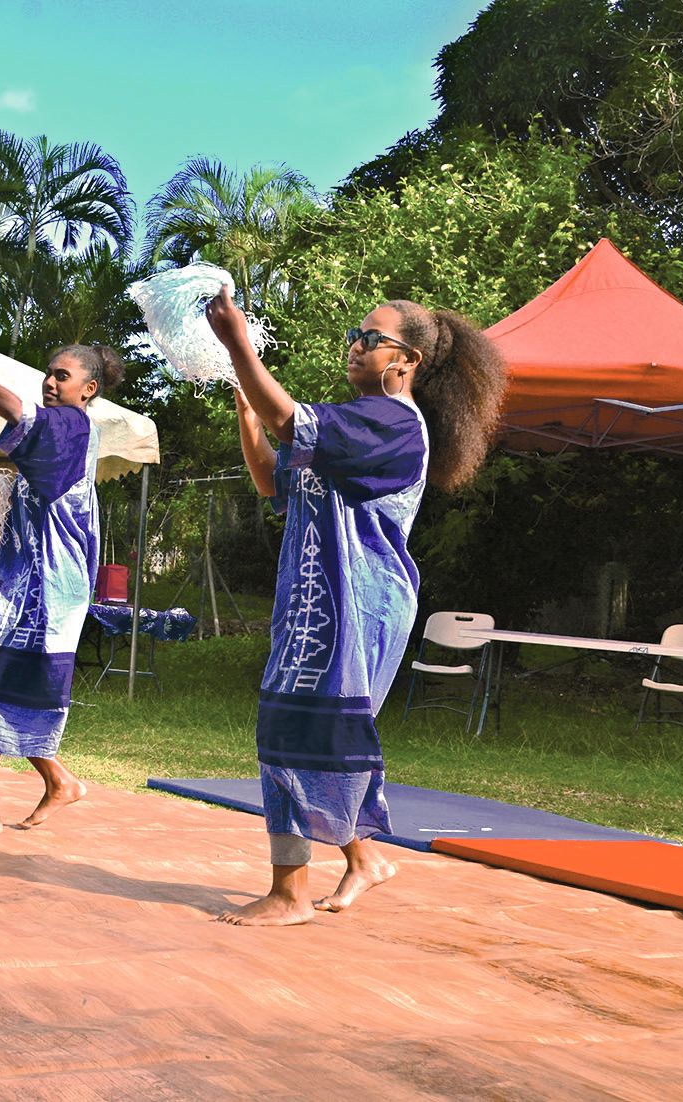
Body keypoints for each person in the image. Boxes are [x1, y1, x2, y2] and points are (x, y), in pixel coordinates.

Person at [206, 292, 505, 926]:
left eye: (370, 338)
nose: (355, 344)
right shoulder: (353, 422)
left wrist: (239, 345)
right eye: (354, 334)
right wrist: (247, 408)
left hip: (356, 603)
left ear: (407, 360)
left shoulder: (393, 423)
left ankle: (290, 895)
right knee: (305, 731)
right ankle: (364, 859)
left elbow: (291, 422)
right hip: (317, 601)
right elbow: (272, 480)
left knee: (294, 732)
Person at [0, 341, 123, 833]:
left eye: (62, 376)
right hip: (34, 587)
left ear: (88, 389)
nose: (50, 382)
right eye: (48, 373)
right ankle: (39, 788)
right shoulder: (67, 432)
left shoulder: (72, 426)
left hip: (48, 594)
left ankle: (7, 801)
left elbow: (16, 411)